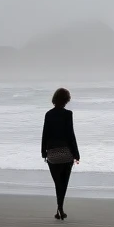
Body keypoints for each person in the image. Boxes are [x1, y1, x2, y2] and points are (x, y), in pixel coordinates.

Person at [41, 87, 80, 220]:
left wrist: (43, 153)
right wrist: (76, 154)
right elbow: (71, 135)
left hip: (52, 154)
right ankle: (60, 209)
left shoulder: (48, 114)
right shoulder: (68, 114)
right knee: (64, 184)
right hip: (66, 154)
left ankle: (59, 209)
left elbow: (45, 134)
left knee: (58, 183)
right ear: (66, 100)